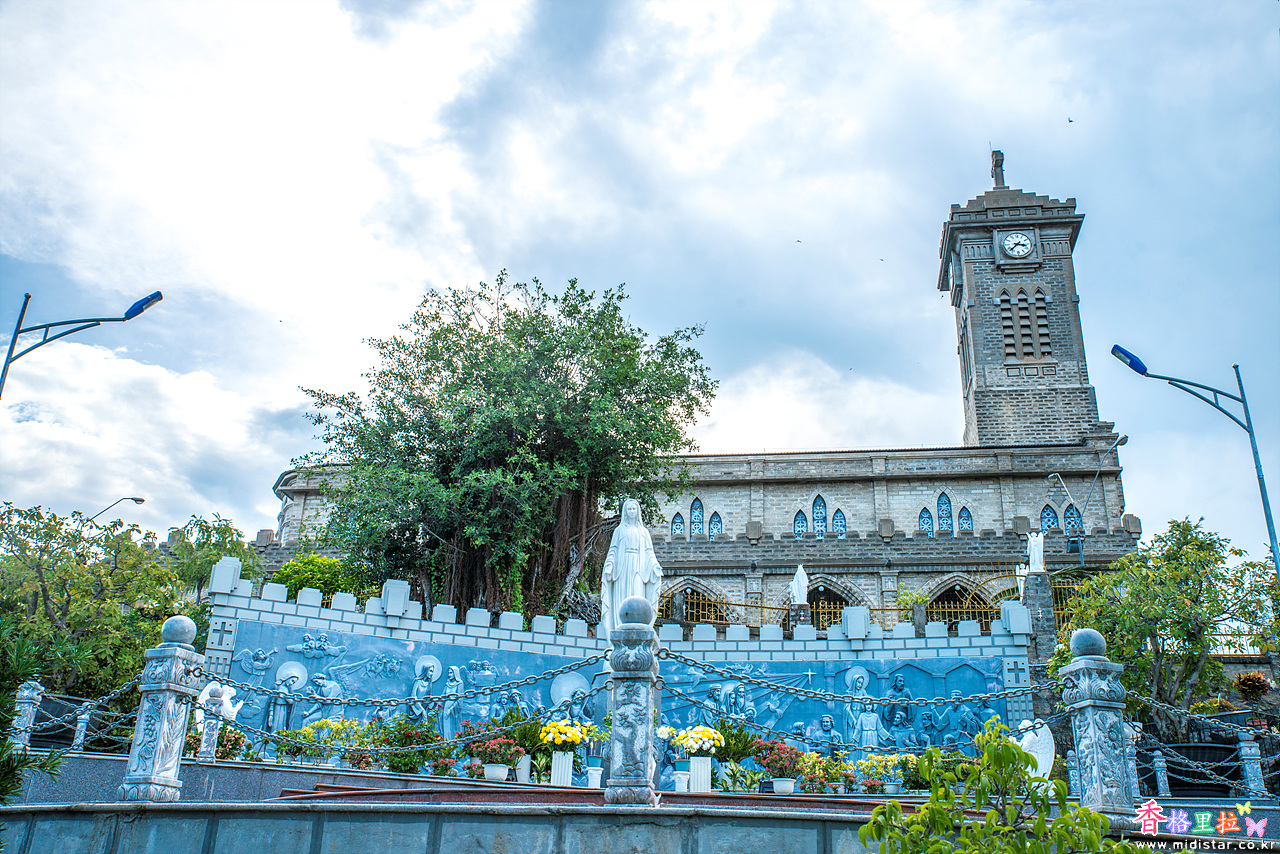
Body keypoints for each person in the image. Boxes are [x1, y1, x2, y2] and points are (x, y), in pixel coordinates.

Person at [600, 498, 663, 638]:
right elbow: (613, 550)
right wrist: (609, 565)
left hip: (639, 568)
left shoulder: (643, 532)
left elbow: (649, 552)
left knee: (637, 597)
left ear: (638, 511)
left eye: (634, 509)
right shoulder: (619, 531)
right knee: (621, 597)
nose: (632, 511)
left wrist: (655, 566)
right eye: (629, 509)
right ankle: (619, 631)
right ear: (625, 511)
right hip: (622, 569)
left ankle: (638, 632)